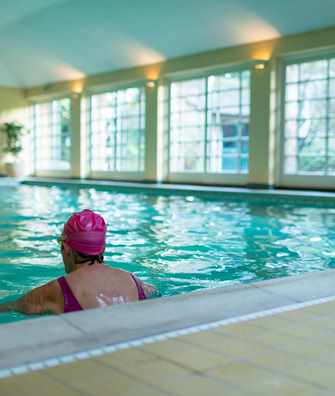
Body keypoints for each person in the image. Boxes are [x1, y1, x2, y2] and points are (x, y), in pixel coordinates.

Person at [0, 209, 159, 315]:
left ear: (66, 248)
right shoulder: (135, 282)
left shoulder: (56, 291)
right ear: (102, 248)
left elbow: (9, 308)